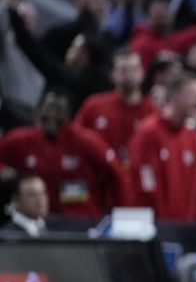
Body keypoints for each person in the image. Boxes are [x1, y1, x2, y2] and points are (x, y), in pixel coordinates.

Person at [0, 89, 125, 218]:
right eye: (48, 108)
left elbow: (116, 173)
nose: (51, 114)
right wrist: (3, 170)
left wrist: (120, 214)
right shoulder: (22, 140)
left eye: (58, 110)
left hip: (82, 219)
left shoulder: (86, 141)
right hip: (39, 220)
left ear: (69, 115)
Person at [127, 74, 196, 220]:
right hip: (153, 223)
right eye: (192, 94)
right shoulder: (148, 133)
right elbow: (142, 180)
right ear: (174, 95)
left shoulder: (192, 136)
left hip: (184, 225)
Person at [74, 49, 155, 165]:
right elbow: (74, 137)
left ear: (142, 73)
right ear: (112, 74)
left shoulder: (153, 108)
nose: (129, 76)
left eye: (134, 70)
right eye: (123, 70)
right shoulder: (94, 105)